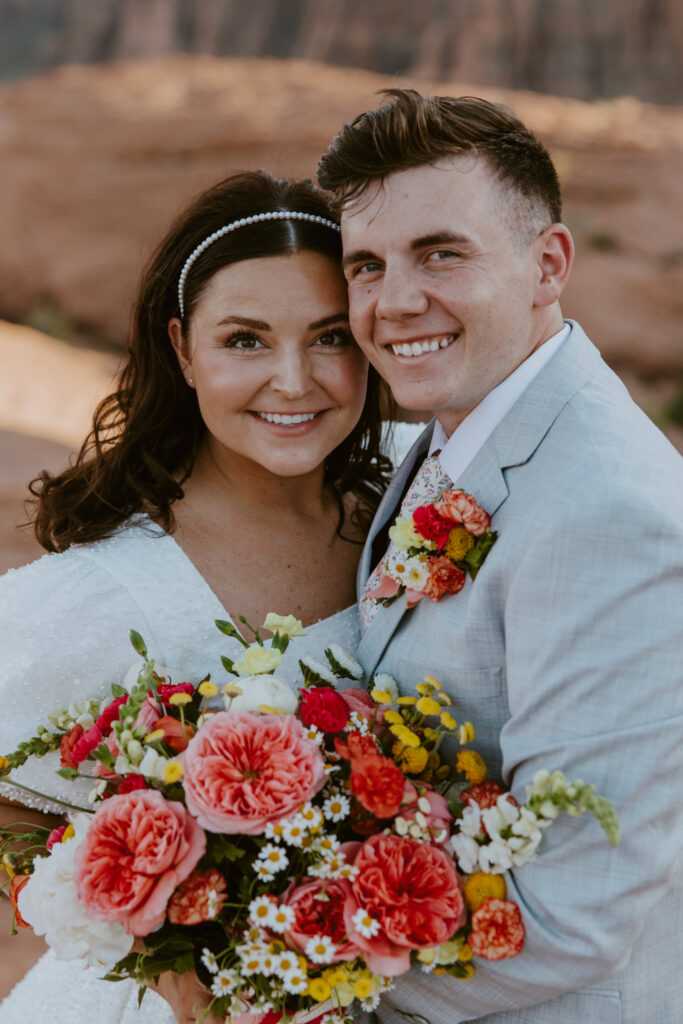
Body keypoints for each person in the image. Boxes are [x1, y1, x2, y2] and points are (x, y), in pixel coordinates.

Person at [0, 170, 415, 1023]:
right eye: (246, 340)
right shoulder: (99, 592)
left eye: (330, 337)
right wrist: (152, 947)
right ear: (184, 350)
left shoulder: (420, 501)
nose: (294, 382)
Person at [317, 89, 683, 1024]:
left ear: (547, 263)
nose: (395, 302)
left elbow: (569, 913)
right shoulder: (453, 438)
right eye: (366, 265)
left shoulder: (607, 512)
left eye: (440, 253)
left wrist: (289, 973)